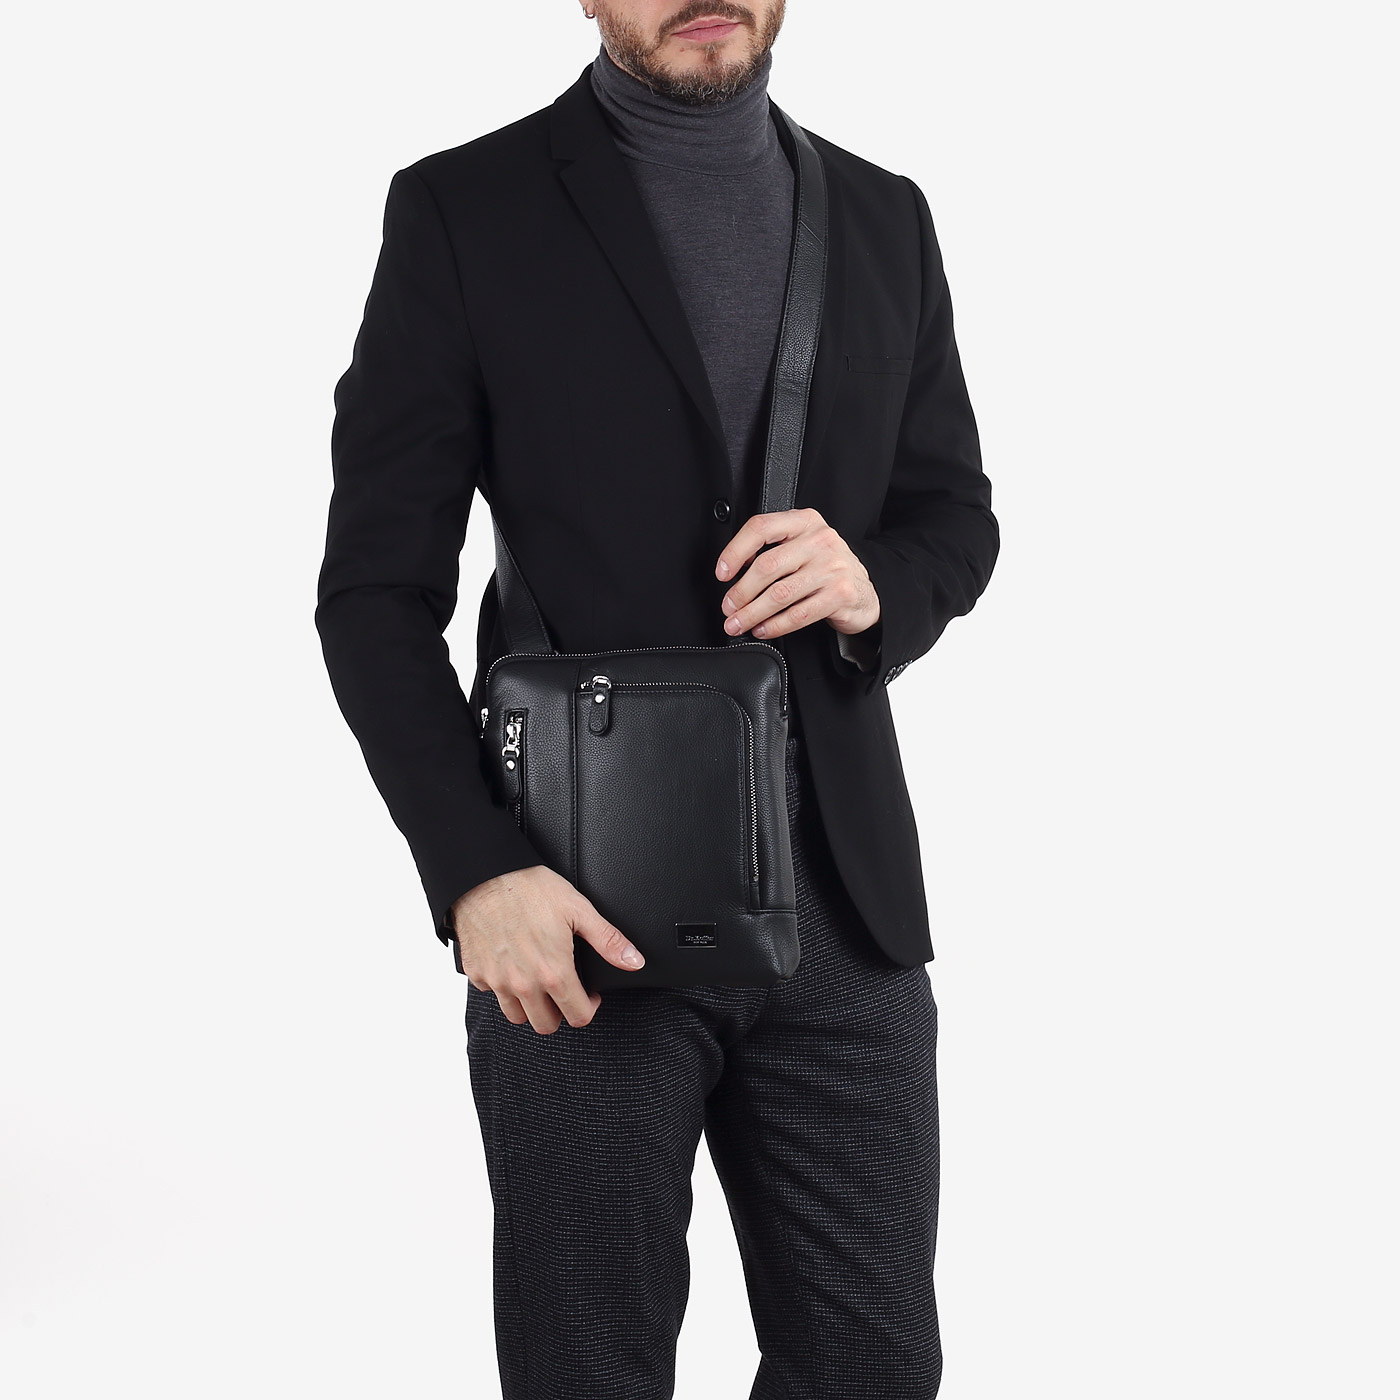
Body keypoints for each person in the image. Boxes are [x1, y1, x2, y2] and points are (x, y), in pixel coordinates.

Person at [314, 2, 998, 1394]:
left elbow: (956, 517)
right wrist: (475, 870)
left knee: (874, 1366)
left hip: (847, 905)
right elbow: (373, 595)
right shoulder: (463, 210)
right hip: (578, 900)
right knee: (589, 1367)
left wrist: (873, 580)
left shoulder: (887, 216)